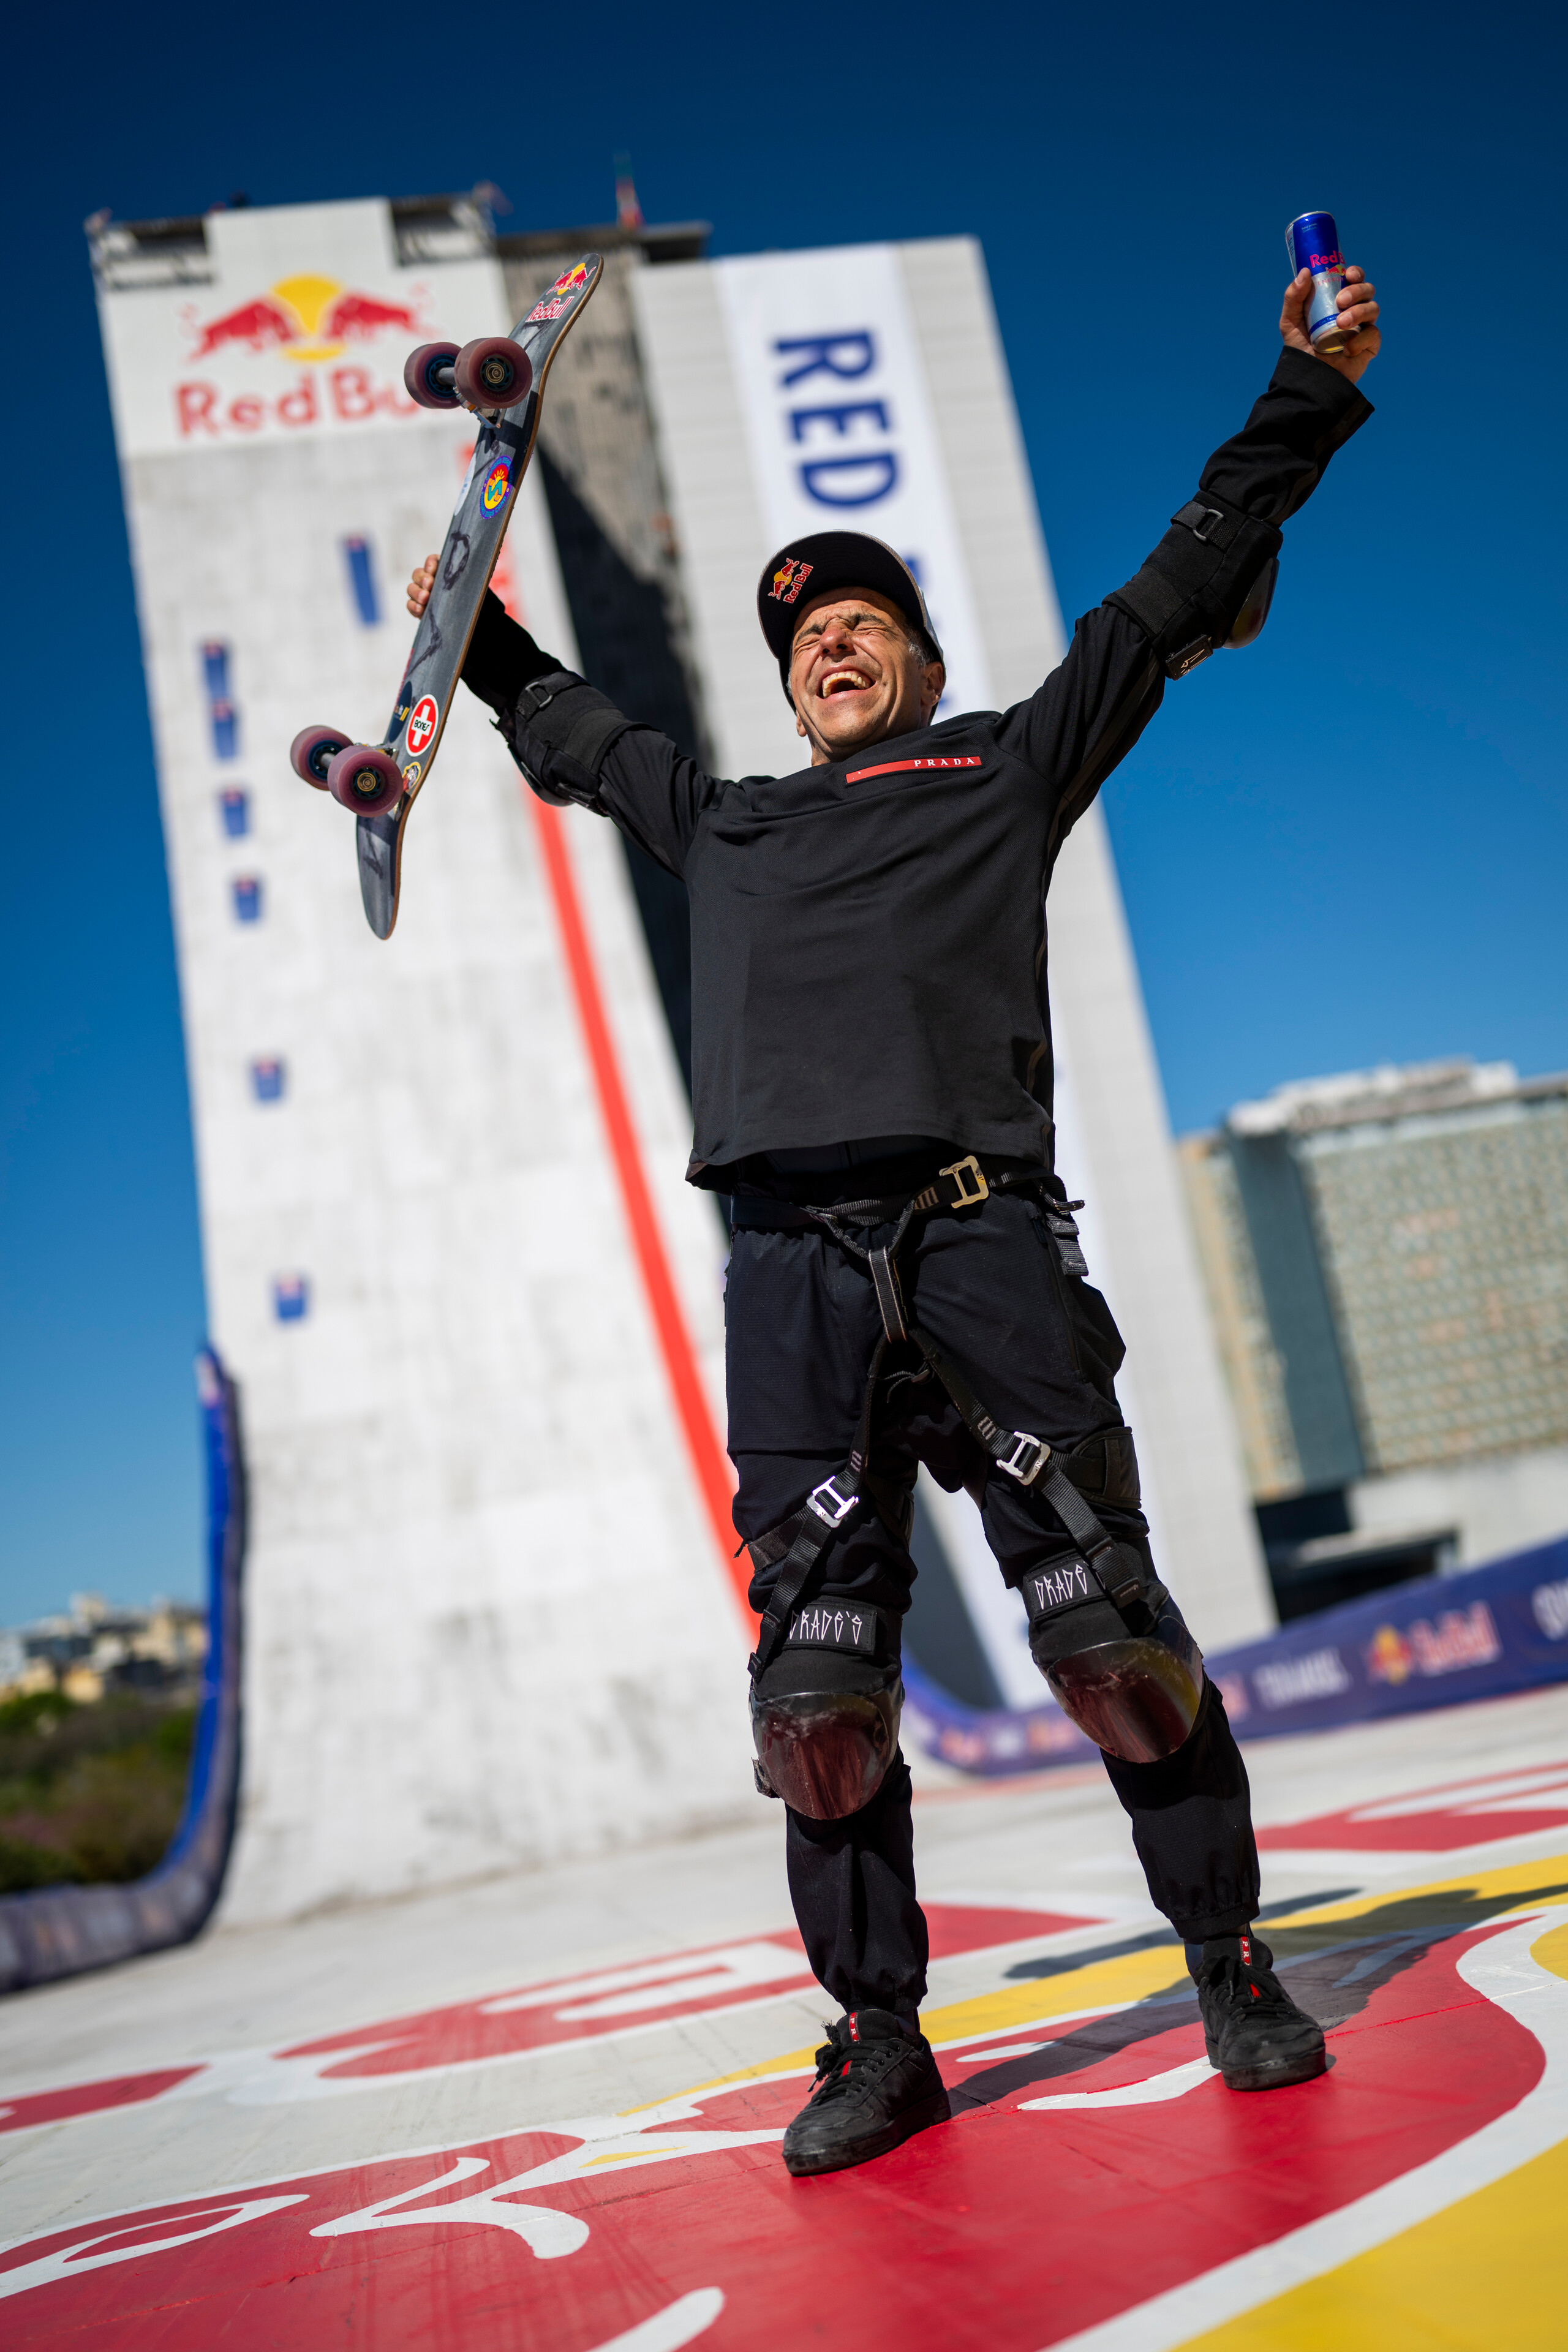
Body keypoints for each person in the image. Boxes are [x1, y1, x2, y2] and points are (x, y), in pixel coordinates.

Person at [408, 258, 1381, 2177]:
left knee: (1117, 1643)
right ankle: (877, 2040)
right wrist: (468, 627)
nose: (830, 650)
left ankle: (1233, 1961)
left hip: (984, 1244)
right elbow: (566, 723)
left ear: (920, 660)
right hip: (788, 1280)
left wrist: (1305, 390)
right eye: (806, 642)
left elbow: (1188, 576)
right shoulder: (729, 817)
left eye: (861, 625)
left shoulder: (1007, 763)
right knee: (822, 1695)